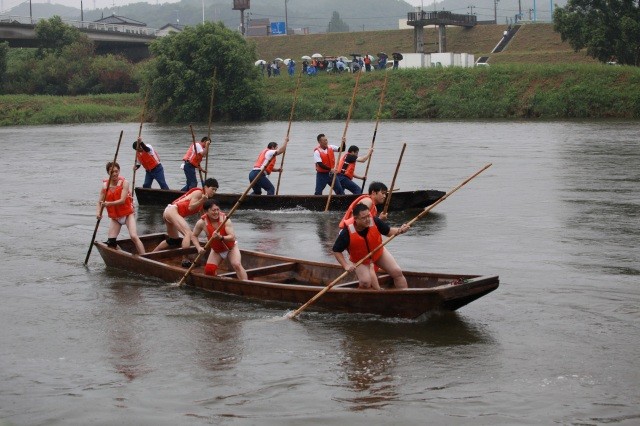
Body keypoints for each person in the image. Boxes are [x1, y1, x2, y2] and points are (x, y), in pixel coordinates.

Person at [332, 203, 410, 290]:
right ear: (356, 219)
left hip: (378, 252)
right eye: (363, 218)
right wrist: (345, 265)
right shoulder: (346, 232)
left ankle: (405, 296)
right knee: (365, 282)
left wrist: (400, 230)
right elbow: (336, 250)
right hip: (360, 259)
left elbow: (389, 232)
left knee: (397, 272)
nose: (367, 219)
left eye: (368, 216)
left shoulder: (375, 221)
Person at [153, 178, 219, 267]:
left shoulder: (204, 200)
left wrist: (210, 231)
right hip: (172, 210)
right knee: (188, 233)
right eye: (212, 189)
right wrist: (202, 200)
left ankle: (151, 254)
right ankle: (185, 259)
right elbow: (190, 207)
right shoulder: (199, 193)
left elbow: (203, 218)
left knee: (173, 241)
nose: (214, 192)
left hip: (170, 213)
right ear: (206, 187)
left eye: (215, 190)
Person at [191, 199, 248, 280]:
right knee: (209, 271)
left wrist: (221, 237)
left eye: (218, 209)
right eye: (213, 210)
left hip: (231, 247)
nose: (216, 212)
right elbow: (193, 236)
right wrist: (198, 247)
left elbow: (232, 237)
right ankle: (218, 283)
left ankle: (246, 283)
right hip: (217, 250)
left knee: (236, 264)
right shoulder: (201, 223)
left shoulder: (226, 220)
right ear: (206, 211)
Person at [96, 161, 145, 255]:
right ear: (108, 172)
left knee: (134, 236)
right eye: (112, 172)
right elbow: (99, 202)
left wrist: (108, 204)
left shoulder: (124, 183)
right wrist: (98, 213)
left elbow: (122, 200)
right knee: (111, 243)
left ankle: (146, 258)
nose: (114, 174)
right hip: (115, 218)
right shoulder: (105, 186)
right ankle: (123, 254)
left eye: (116, 171)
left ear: (119, 171)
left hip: (127, 215)